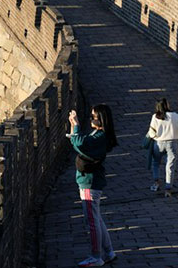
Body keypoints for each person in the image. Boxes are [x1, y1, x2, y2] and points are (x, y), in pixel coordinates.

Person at [69, 105, 118, 267]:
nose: (91, 119)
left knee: (91, 221)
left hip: (90, 182)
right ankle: (109, 252)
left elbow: (80, 144)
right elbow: (77, 143)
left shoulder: (100, 136)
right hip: (90, 181)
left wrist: (76, 125)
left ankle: (96, 256)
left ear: (101, 119)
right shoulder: (97, 134)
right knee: (96, 218)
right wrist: (73, 126)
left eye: (93, 116)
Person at [148, 98, 178, 195]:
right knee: (170, 165)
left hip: (158, 143)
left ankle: (156, 182)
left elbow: (151, 133)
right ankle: (168, 187)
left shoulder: (155, 117)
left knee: (156, 163)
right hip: (172, 143)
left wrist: (156, 137)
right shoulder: (174, 115)